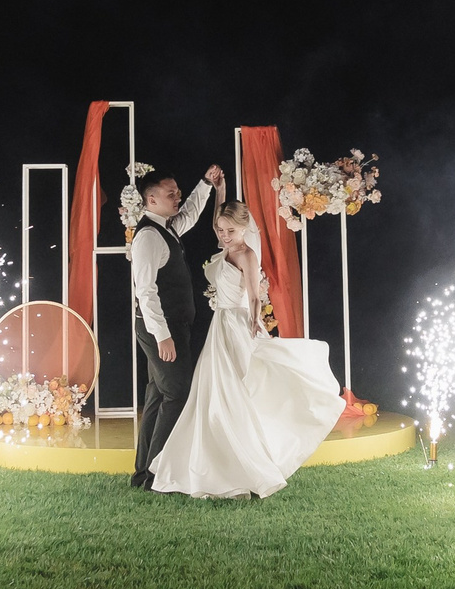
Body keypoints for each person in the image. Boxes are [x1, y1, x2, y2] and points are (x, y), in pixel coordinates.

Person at [148, 200, 344, 498]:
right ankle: (206, 464)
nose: (224, 235)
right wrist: (219, 189)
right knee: (211, 393)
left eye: (230, 230)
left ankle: (246, 465)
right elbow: (219, 220)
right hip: (220, 326)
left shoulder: (247, 254)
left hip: (238, 324)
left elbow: (254, 295)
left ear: (243, 228)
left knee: (235, 391)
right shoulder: (226, 248)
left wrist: (254, 320)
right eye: (220, 229)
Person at [128, 164, 222, 489]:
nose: (177, 197)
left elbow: (192, 214)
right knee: (178, 394)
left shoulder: (167, 227)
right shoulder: (147, 238)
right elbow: (145, 291)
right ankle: (155, 475)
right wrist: (163, 335)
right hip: (160, 330)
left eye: (178, 192)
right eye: (171, 194)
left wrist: (206, 184)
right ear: (151, 200)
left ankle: (142, 474)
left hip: (172, 327)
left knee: (158, 396)